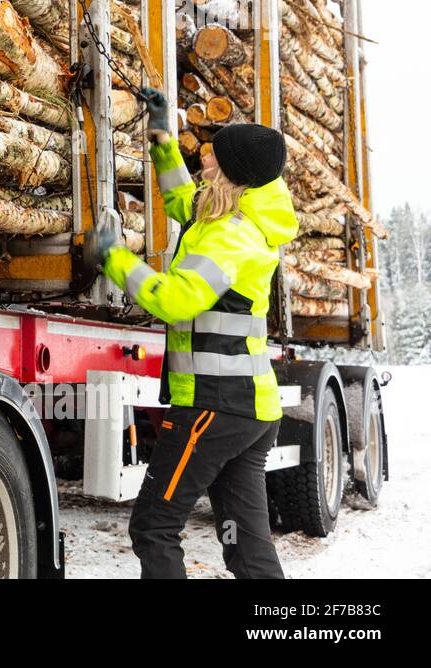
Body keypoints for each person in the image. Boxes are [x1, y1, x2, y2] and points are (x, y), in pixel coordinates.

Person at [83, 86, 298, 579]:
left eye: (212, 159)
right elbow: (183, 199)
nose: (203, 163)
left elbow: (176, 300)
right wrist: (161, 137)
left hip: (215, 406)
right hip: (247, 410)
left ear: (231, 174)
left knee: (154, 526)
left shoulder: (232, 236)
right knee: (245, 545)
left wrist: (114, 257)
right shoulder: (239, 212)